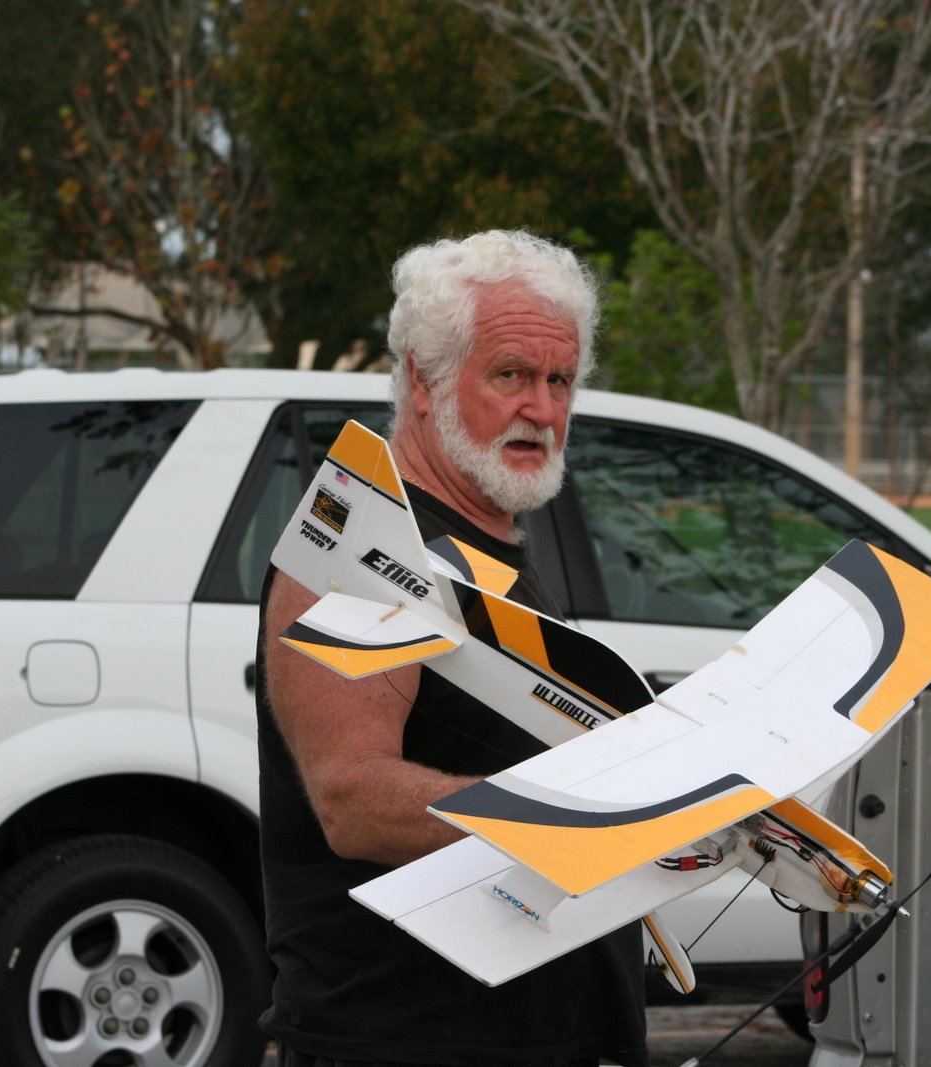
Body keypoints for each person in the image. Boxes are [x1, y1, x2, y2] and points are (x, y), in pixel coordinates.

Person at [255, 230, 649, 1067]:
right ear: (423, 381)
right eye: (511, 375)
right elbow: (352, 797)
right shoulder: (361, 545)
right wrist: (580, 820)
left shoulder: (485, 544)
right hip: (400, 1041)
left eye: (559, 381)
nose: (542, 409)